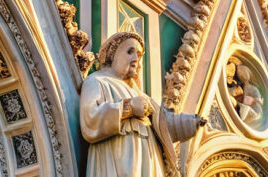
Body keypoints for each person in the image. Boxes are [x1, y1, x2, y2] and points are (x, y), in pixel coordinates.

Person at [80, 31, 206, 177]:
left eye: (138, 55)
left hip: (148, 164)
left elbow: (162, 124)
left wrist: (188, 123)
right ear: (113, 55)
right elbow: (90, 120)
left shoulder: (139, 94)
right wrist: (128, 108)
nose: (135, 58)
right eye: (129, 52)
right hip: (117, 165)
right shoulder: (98, 81)